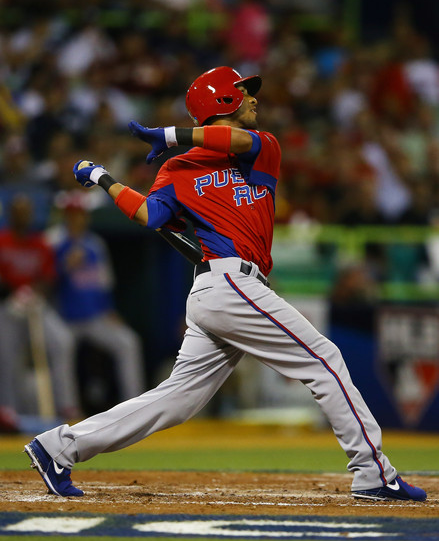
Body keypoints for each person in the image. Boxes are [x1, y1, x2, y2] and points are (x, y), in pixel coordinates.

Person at [24, 66, 426, 502]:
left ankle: (58, 447)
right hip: (225, 283)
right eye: (242, 91)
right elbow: (151, 217)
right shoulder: (176, 168)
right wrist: (105, 179)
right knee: (324, 359)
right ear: (221, 101)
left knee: (176, 400)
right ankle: (372, 473)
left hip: (232, 288)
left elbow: (234, 141)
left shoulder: (259, 148)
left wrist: (172, 134)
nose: (253, 98)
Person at [47, 191, 145, 403]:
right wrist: (64, 267)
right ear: (64, 216)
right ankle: (68, 407)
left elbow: (104, 284)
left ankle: (135, 403)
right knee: (61, 346)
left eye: (80, 214)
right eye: (71, 214)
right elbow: (45, 281)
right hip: (63, 317)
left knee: (128, 342)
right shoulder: (53, 240)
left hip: (94, 316)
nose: (76, 219)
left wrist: (110, 311)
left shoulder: (95, 244)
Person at [0, 194, 80, 432]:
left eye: (26, 212)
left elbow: (48, 277)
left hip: (36, 304)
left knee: (62, 341)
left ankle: (66, 406)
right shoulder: (2, 240)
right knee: (6, 353)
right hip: (8, 305)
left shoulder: (40, 243)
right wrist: (12, 292)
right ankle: (7, 409)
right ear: (11, 215)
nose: (22, 217)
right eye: (18, 212)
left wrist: (33, 293)